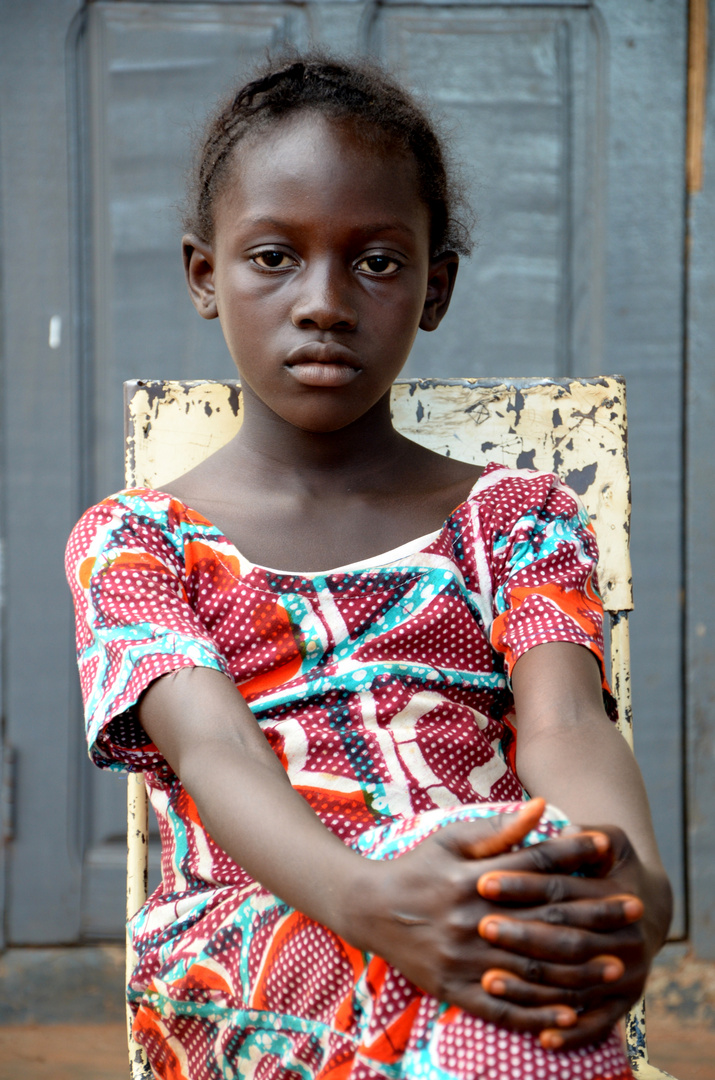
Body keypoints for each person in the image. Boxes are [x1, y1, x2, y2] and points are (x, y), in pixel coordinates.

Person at [66, 53, 672, 1080]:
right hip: (259, 929)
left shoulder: (518, 518)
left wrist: (638, 890)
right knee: (501, 992)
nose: (325, 302)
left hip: (476, 894)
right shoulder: (137, 541)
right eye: (273, 256)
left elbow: (566, 722)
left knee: (517, 945)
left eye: (376, 262)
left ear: (433, 288)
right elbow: (218, 757)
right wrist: (364, 899)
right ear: (206, 275)